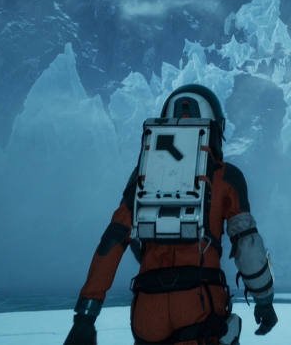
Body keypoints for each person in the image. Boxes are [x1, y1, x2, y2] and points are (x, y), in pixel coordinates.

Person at [64, 84, 277, 345]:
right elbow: (248, 245)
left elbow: (113, 241)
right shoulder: (225, 176)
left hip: (147, 307)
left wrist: (85, 317)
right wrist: (264, 301)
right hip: (200, 302)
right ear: (215, 126)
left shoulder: (143, 177)